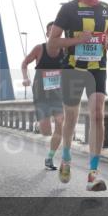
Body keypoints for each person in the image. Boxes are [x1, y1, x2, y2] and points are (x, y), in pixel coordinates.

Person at [48, 0, 108, 191]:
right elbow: (52, 43)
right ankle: (66, 158)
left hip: (98, 68)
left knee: (97, 115)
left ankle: (93, 173)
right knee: (72, 116)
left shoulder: (106, 9)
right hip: (73, 69)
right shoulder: (68, 9)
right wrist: (77, 41)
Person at [21, 22, 68, 171]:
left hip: (57, 93)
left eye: (59, 33)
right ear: (48, 34)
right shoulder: (39, 49)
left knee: (60, 123)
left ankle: (50, 157)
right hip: (41, 92)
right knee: (46, 130)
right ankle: (39, 123)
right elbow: (24, 63)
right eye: (52, 32)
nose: (56, 35)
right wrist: (25, 78)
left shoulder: (65, 49)